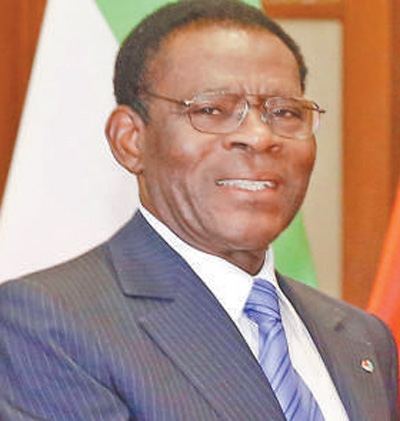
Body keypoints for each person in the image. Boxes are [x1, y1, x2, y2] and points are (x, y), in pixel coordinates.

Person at [0, 0, 397, 419]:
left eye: (284, 112)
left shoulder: (360, 338)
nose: (260, 137)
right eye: (211, 110)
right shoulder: (49, 324)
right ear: (130, 140)